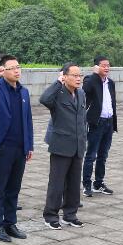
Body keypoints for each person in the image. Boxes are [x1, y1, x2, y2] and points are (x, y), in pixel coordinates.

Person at [0, 54, 33, 242]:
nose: (17, 71)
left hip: (19, 147)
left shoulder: (23, 92)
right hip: (1, 147)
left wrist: (29, 145)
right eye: (12, 68)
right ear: (3, 70)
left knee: (13, 188)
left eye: (18, 67)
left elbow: (28, 120)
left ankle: (10, 223)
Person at [40, 63, 88, 229]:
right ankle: (50, 215)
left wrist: (84, 139)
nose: (78, 78)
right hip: (61, 145)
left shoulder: (81, 93)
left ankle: (70, 214)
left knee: (74, 184)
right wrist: (57, 83)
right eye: (74, 75)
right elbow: (44, 99)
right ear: (64, 76)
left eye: (80, 75)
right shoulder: (57, 93)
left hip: (78, 145)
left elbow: (82, 118)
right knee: (57, 183)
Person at [82, 56, 117, 197]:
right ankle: (86, 184)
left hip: (109, 122)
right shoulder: (90, 80)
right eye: (103, 65)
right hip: (96, 123)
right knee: (91, 155)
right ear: (96, 67)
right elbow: (85, 90)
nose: (107, 68)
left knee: (103, 155)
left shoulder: (111, 83)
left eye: (108, 65)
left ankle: (99, 183)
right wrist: (95, 75)